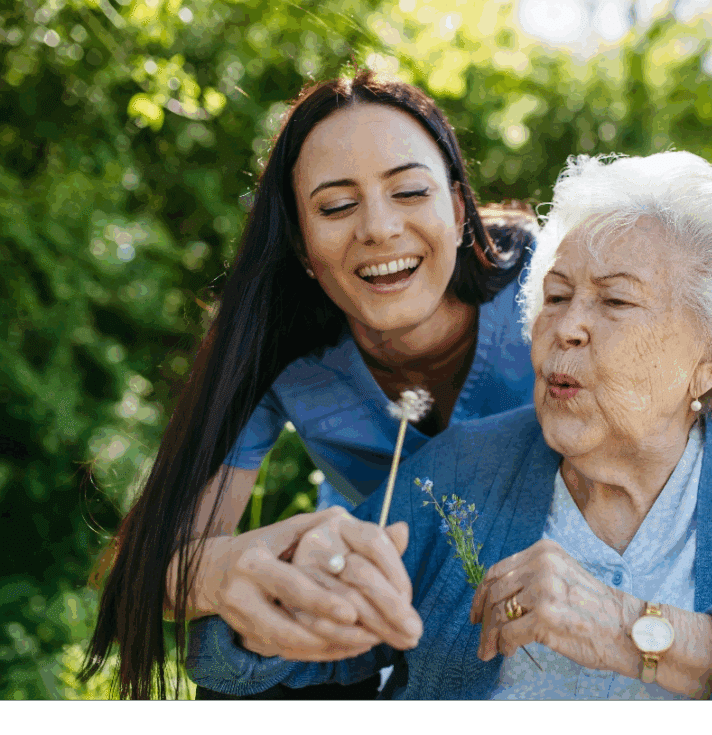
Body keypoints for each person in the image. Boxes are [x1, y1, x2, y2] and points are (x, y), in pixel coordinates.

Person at [186, 150, 712, 700]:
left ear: (709, 356)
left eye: (617, 300)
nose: (567, 327)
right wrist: (288, 589)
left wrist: (643, 633)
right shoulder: (463, 467)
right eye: (556, 295)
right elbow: (242, 662)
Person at [82, 70, 538, 700]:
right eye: (336, 206)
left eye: (409, 191)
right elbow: (133, 567)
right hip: (379, 614)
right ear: (301, 247)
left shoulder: (554, 289)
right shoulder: (278, 345)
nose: (378, 228)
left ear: (458, 209)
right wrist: (222, 570)